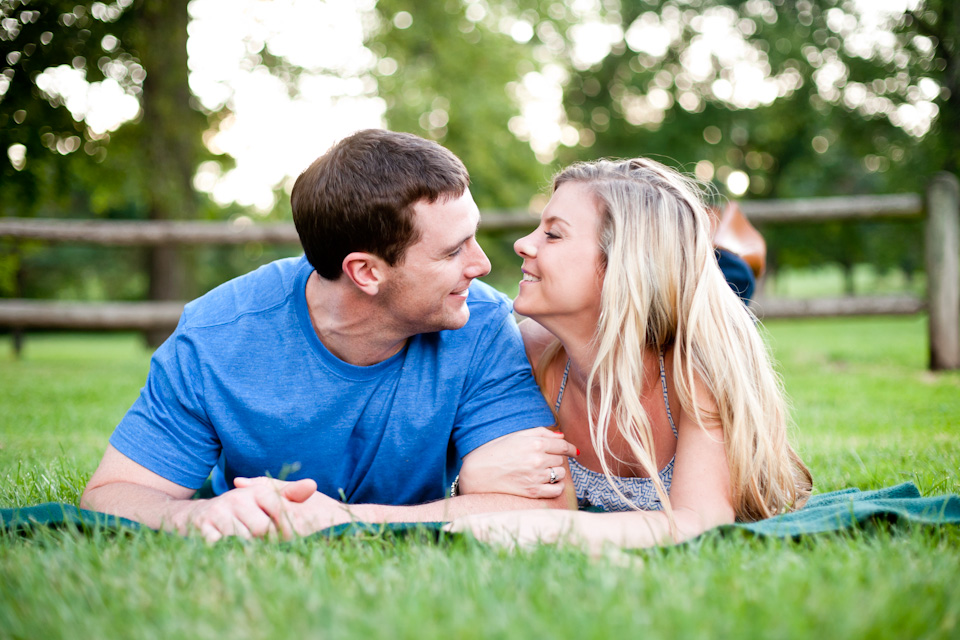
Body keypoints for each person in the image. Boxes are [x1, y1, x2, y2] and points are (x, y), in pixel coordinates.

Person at [81, 129, 577, 542]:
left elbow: (545, 508)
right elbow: (111, 494)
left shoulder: (482, 326)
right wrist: (193, 516)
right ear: (365, 272)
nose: (483, 265)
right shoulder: (218, 336)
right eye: (453, 252)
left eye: (474, 236)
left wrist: (344, 522)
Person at [447, 158, 813, 552]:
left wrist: (539, 528)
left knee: (732, 281)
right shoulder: (530, 353)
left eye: (553, 235)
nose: (523, 243)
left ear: (621, 263)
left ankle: (732, 253)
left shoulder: (697, 368)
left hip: (675, 299)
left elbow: (699, 522)